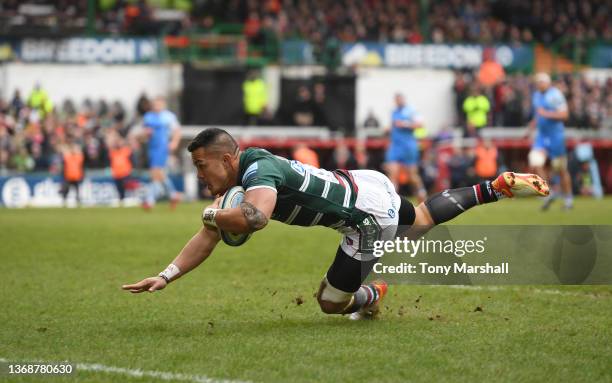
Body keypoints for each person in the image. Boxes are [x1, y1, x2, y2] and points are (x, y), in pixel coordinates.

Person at [123, 128, 550, 320]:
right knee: (419, 218)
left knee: (330, 304)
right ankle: (494, 188)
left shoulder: (257, 172)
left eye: (202, 165)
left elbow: (255, 218)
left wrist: (214, 214)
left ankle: (371, 292)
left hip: (365, 219)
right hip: (362, 185)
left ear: (228, 158)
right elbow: (209, 235)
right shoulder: (242, 179)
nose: (200, 175)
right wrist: (166, 275)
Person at [526, 73, 573, 211]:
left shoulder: (555, 95)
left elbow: (565, 115)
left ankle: (568, 198)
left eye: (541, 82)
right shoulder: (536, 95)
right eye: (537, 82)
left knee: (561, 169)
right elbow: (538, 114)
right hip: (542, 136)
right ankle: (549, 192)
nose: (539, 84)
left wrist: (547, 114)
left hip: (555, 136)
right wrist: (532, 125)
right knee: (535, 161)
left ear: (547, 82)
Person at [384, 93, 427, 202]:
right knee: (392, 173)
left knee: (412, 175)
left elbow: (420, 124)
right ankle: (392, 201)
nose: (398, 101)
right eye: (396, 99)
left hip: (408, 146)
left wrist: (405, 124)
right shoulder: (394, 112)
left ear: (403, 99)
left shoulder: (411, 110)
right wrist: (388, 129)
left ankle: (422, 193)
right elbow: (393, 126)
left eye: (400, 99)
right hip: (395, 146)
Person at [141, 96, 181, 210]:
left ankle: (150, 200)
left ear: (163, 105)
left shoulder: (169, 116)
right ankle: (173, 194)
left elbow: (177, 130)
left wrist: (174, 142)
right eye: (155, 104)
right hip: (151, 148)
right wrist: (146, 134)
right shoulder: (148, 117)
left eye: (159, 104)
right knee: (159, 174)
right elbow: (143, 134)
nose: (157, 106)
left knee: (155, 172)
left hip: (162, 147)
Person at [60, 137, 84, 206]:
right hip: (69, 176)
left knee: (77, 190)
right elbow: (64, 152)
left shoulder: (78, 156)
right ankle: (64, 200)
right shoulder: (68, 156)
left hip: (76, 176)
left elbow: (80, 154)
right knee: (66, 189)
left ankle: (78, 200)